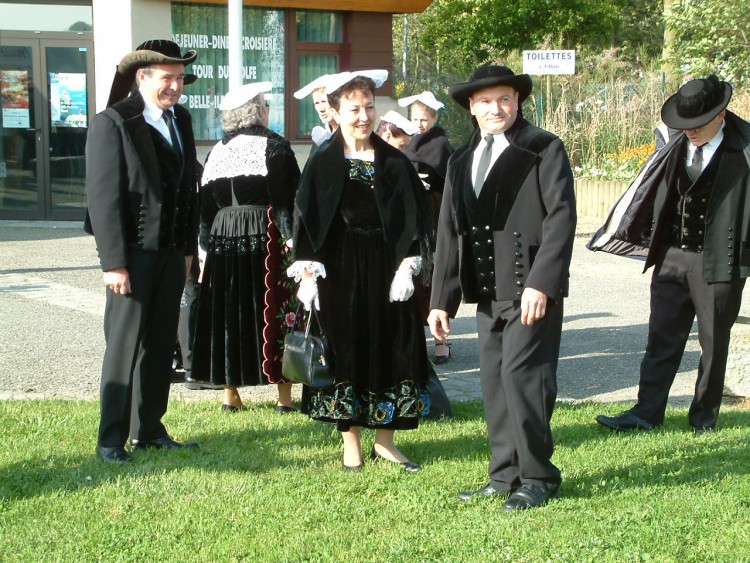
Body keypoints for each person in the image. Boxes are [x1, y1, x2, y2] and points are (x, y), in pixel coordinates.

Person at [427, 65, 576, 509]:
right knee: (494, 381)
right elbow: (449, 235)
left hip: (531, 291)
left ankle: (538, 477)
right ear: (471, 108)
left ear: (518, 102)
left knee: (524, 378)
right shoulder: (459, 160)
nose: (497, 108)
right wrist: (441, 302)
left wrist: (542, 284)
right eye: (486, 101)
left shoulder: (544, 148)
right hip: (487, 291)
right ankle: (504, 475)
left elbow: (561, 219)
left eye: (505, 99)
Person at [289, 70, 433, 472]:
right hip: (340, 271)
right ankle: (350, 439)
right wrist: (308, 274)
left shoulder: (394, 161)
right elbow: (308, 218)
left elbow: (415, 217)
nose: (364, 116)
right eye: (354, 109)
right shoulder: (322, 159)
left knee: (394, 347)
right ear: (334, 111)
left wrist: (408, 265)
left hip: (388, 271)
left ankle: (385, 441)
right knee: (345, 349)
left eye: (369, 107)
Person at [592, 76, 750, 434]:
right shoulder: (672, 142)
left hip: (720, 260)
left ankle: (704, 419)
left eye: (697, 124)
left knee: (713, 343)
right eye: (684, 124)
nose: (689, 131)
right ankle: (646, 413)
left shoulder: (745, 147)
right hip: (671, 256)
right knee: (661, 338)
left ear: (721, 114)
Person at [85, 39, 201, 465]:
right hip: (131, 256)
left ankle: (148, 429)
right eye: (166, 77)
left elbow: (189, 189)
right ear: (142, 77)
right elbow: (102, 200)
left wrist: (188, 251)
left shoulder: (181, 120)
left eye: (179, 78)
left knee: (159, 344)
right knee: (124, 345)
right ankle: (110, 438)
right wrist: (113, 262)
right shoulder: (113, 122)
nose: (174, 85)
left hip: (171, 255)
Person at [190, 82, 301, 412]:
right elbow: (287, 202)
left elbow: (205, 209)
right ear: (257, 110)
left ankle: (231, 395)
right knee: (274, 307)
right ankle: (284, 397)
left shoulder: (215, 152)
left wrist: (204, 249)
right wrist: (295, 243)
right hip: (265, 233)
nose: (268, 110)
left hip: (224, 236)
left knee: (229, 312)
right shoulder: (276, 147)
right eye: (265, 105)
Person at [399, 91, 456, 364]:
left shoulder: (441, 144)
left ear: (434, 118)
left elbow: (450, 183)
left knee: (433, 277)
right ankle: (415, 340)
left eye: (424, 119)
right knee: (412, 274)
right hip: (411, 216)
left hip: (433, 215)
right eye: (415, 118)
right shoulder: (408, 142)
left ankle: (441, 338)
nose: (419, 124)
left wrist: (429, 184)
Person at [293, 74, 337, 146]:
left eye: (324, 102)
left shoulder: (351, 134)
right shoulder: (321, 136)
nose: (321, 109)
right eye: (317, 103)